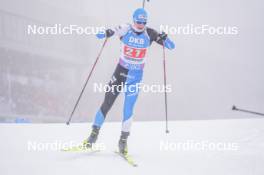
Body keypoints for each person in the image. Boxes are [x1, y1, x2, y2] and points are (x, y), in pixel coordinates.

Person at [84, 8, 175, 155]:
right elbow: (101, 33)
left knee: (128, 109)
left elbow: (171, 47)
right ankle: (93, 136)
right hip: (120, 73)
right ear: (134, 20)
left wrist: (165, 38)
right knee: (107, 103)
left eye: (143, 22)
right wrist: (106, 32)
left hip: (136, 76)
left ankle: (123, 142)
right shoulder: (125, 28)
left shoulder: (151, 33)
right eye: (138, 21)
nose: (141, 24)